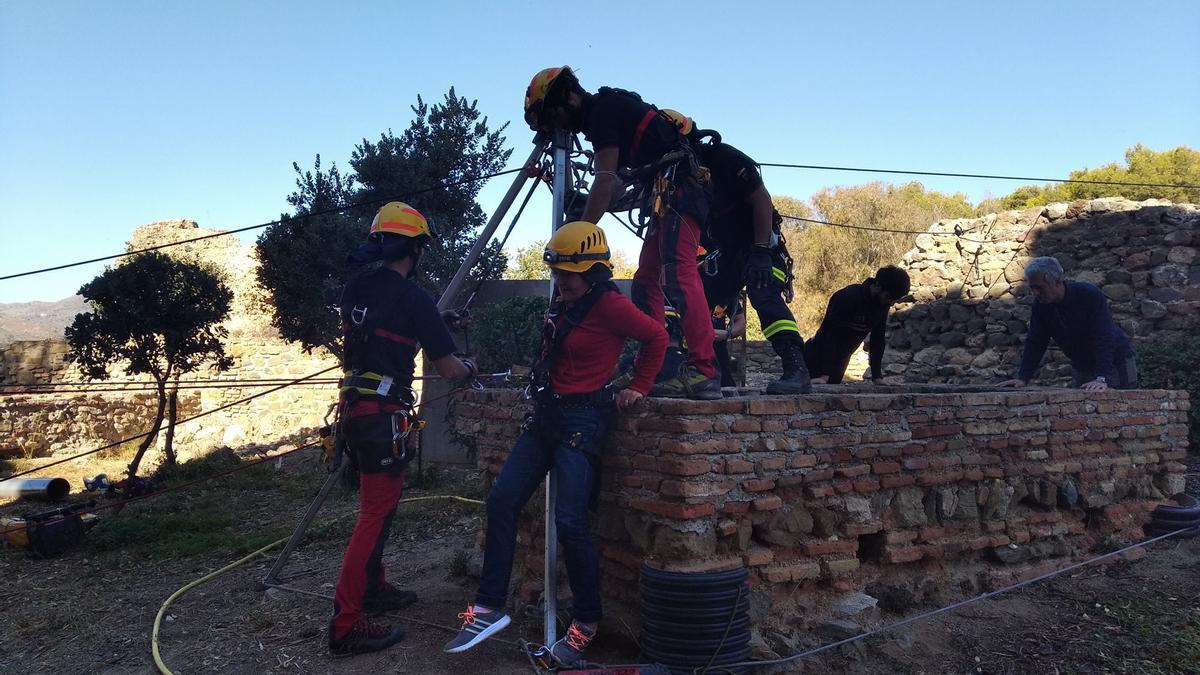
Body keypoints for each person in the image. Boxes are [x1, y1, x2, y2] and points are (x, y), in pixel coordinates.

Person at [444, 221, 667, 666]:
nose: (559, 281)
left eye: (568, 273)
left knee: (570, 520)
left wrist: (639, 386)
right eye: (558, 272)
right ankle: (488, 608)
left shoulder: (609, 306)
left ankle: (586, 622)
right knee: (502, 500)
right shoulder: (565, 302)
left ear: (593, 271)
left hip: (584, 419)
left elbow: (656, 336)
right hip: (546, 416)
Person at [328, 201, 479, 655]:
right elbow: (449, 368)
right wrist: (469, 366)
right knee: (374, 514)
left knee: (382, 507)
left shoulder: (356, 287)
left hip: (356, 409)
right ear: (415, 250)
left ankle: (373, 589)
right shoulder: (413, 299)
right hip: (381, 414)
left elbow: (384, 326)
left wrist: (434, 322)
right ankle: (345, 625)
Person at [523, 66, 719, 400]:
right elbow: (612, 191)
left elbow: (605, 181)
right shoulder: (606, 115)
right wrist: (561, 192)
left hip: (681, 193)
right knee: (646, 281)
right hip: (666, 196)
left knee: (679, 274)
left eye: (552, 115)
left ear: (567, 97)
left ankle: (704, 370)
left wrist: (581, 232)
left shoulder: (601, 111)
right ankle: (654, 364)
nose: (556, 125)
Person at [661, 110, 811, 394]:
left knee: (763, 293)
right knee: (692, 296)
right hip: (725, 253)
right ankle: (684, 365)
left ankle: (796, 367)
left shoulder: (725, 160)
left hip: (760, 245)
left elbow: (762, 202)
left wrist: (761, 252)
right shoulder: (676, 177)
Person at [999, 256, 1137, 391]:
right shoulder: (1041, 305)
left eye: (1040, 288)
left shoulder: (1088, 295)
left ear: (1057, 282)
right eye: (1032, 288)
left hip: (1116, 361)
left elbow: (1104, 335)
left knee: (1126, 405)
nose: (1036, 293)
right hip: (1083, 364)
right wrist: (1023, 378)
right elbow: (1036, 340)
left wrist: (1101, 377)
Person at [804, 266, 911, 384]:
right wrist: (825, 375)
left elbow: (878, 339)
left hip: (841, 361)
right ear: (877, 286)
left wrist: (877, 377)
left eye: (894, 300)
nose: (890, 303)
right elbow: (832, 335)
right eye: (889, 298)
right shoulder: (847, 297)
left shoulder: (881, 305)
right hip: (815, 356)